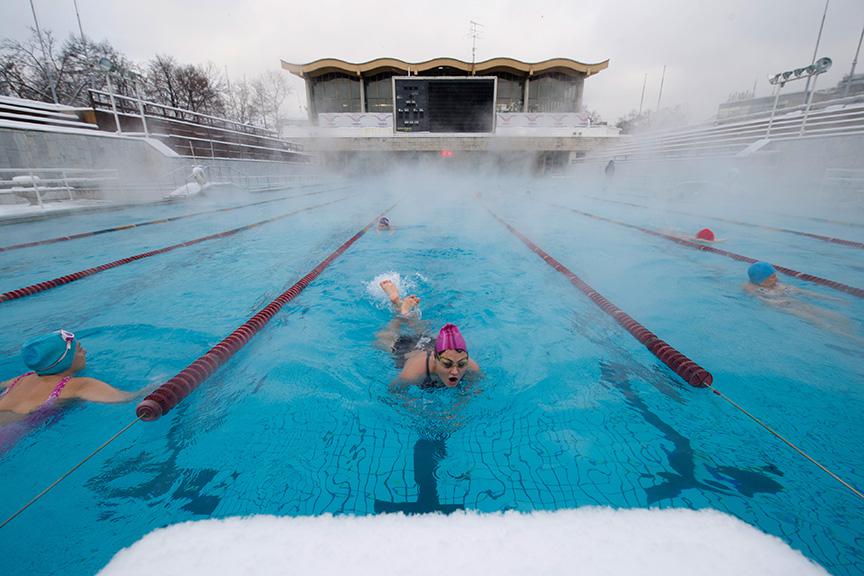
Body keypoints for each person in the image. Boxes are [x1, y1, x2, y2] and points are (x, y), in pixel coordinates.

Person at [0, 329, 138, 420]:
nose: (85, 352)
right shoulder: (79, 385)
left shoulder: (21, 379)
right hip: (9, 433)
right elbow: (125, 398)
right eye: (79, 350)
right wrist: (156, 386)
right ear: (65, 361)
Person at [376, 280, 480, 389]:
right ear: (435, 359)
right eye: (447, 364)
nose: (455, 371)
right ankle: (400, 310)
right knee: (382, 341)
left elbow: (475, 392)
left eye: (462, 364)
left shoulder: (471, 367)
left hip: (431, 344)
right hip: (409, 350)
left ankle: (405, 311)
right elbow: (394, 392)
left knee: (424, 333)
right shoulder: (412, 373)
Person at [744, 262, 859, 340]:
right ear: (761, 280)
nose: (777, 279)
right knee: (818, 321)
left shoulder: (777, 285)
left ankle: (849, 330)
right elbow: (765, 301)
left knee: (840, 318)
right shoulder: (757, 290)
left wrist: (834, 299)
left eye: (775, 275)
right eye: (772, 277)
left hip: (796, 303)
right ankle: (852, 339)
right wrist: (777, 303)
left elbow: (804, 292)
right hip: (786, 307)